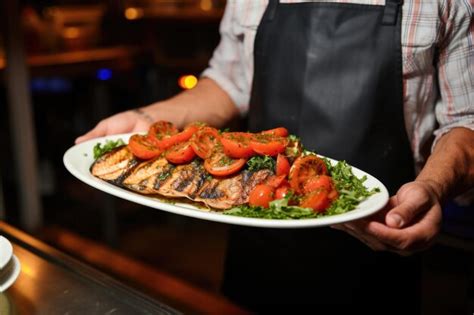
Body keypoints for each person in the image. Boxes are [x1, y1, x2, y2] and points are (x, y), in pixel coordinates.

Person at [76, 0, 474, 313]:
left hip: (379, 237)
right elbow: (229, 84)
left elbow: (466, 121)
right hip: (254, 229)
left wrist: (432, 187)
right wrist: (144, 119)